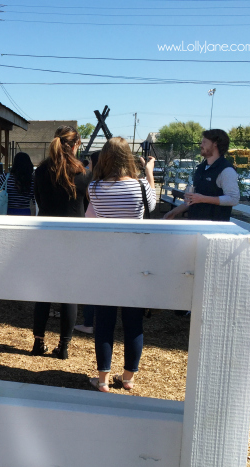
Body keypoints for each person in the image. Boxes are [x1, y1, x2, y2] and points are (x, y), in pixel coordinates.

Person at [87, 137, 156, 392]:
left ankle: (103, 379)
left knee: (104, 320)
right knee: (133, 321)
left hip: (106, 262)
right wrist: (148, 173)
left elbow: (91, 217)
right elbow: (153, 205)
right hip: (135, 262)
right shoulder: (139, 186)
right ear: (128, 158)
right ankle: (128, 378)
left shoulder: (94, 187)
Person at [31, 126, 91, 359]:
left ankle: (38, 342)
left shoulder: (42, 170)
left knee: (43, 292)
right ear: (76, 144)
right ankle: (64, 346)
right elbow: (84, 207)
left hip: (46, 235)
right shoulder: (82, 172)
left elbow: (39, 201)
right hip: (74, 238)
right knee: (69, 293)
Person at [163, 129, 239, 221]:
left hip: (214, 229)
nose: (201, 145)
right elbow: (194, 199)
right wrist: (173, 212)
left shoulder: (226, 170)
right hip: (195, 226)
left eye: (204, 142)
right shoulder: (201, 168)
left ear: (215, 143)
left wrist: (203, 199)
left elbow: (233, 199)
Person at [75, 150, 101, 335]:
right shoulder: (106, 183)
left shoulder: (93, 185)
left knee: (92, 283)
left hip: (92, 237)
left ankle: (89, 322)